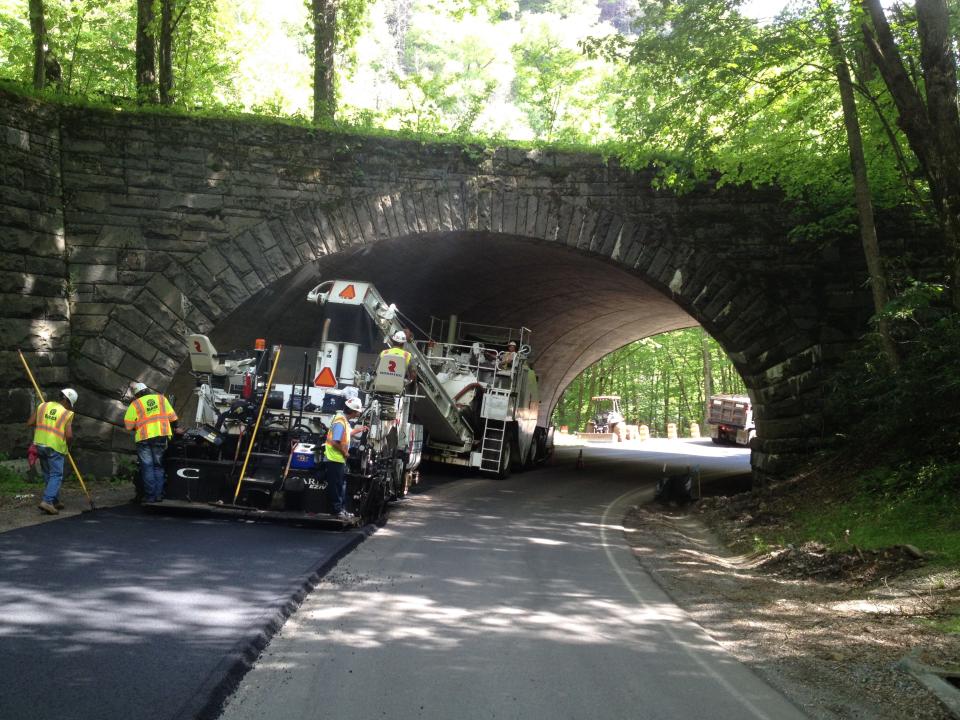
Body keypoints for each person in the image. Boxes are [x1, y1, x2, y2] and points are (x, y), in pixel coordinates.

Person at [124, 382, 178, 504]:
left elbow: (128, 426)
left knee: (147, 467)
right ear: (147, 390)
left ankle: (150, 497)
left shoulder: (135, 404)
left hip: (143, 438)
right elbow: (173, 418)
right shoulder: (161, 399)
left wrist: (138, 425)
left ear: (137, 395)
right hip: (161, 436)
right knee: (158, 466)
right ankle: (159, 495)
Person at [26, 388, 77, 515]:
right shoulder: (67, 414)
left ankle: (55, 500)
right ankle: (47, 501)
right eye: (71, 405)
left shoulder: (43, 406)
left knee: (48, 474)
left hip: (40, 444)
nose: (71, 408)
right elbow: (69, 436)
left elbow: (30, 422)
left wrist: (46, 422)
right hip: (55, 447)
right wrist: (68, 446)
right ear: (67, 401)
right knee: (56, 475)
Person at [325, 396, 365, 519]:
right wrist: (345, 452)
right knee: (336, 486)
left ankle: (341, 509)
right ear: (353, 411)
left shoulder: (343, 421)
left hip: (338, 459)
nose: (358, 413)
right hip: (335, 458)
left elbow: (346, 434)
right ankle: (337, 510)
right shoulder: (340, 422)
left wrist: (359, 430)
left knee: (340, 484)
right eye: (357, 411)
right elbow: (335, 441)